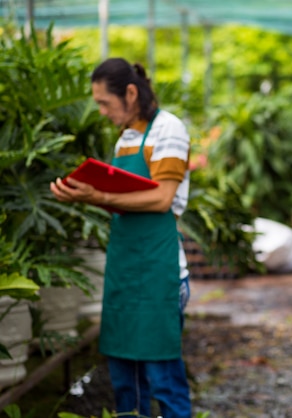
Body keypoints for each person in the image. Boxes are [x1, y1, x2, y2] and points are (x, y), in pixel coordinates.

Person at [50, 58, 192, 418]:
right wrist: (80, 193)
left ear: (130, 93)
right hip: (125, 269)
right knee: (125, 380)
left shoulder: (167, 129)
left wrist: (97, 197)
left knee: (162, 377)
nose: (101, 111)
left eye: (104, 103)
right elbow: (124, 200)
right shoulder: (127, 137)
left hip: (159, 272)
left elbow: (161, 198)